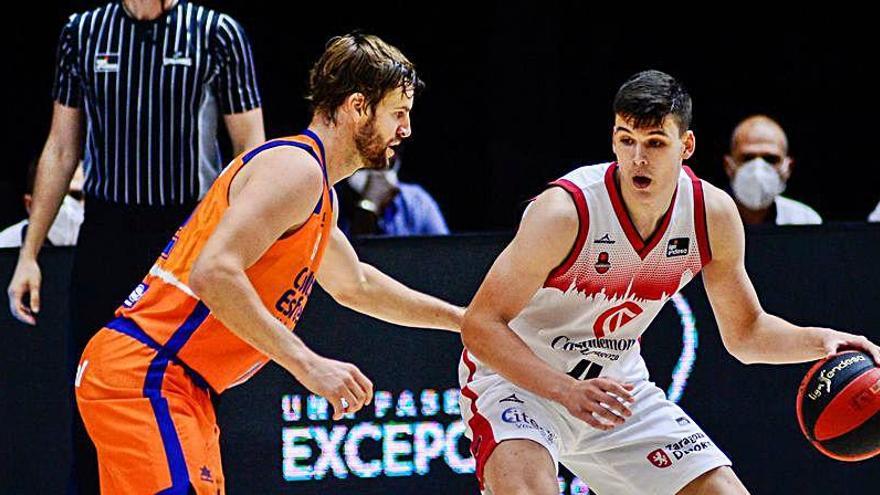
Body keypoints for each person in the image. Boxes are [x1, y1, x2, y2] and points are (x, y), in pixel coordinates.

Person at [70, 33, 463, 494]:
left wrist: (463, 320)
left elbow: (356, 284)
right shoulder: (297, 169)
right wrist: (308, 364)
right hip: (149, 373)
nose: (406, 129)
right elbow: (213, 273)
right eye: (398, 112)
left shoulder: (319, 193)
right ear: (359, 106)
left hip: (175, 383)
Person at [460, 70, 880, 495]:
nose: (638, 158)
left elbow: (747, 333)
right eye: (627, 140)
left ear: (687, 146)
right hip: (519, 383)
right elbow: (480, 325)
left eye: (655, 142)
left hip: (615, 388)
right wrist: (566, 391)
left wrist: (824, 341)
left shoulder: (710, 215)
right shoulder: (565, 212)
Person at [6, 2, 264, 490]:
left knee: (189, 392)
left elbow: (250, 149)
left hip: (188, 235)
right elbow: (62, 148)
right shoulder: (81, 33)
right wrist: (28, 255)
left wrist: (243, 247)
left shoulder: (217, 33)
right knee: (93, 393)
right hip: (106, 234)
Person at [723, 115, 821, 225]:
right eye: (748, 158)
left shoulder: (805, 221)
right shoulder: (705, 219)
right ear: (728, 166)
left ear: (788, 167)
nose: (758, 169)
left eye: (770, 159)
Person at [337, 151, 450, 236]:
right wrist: (369, 204)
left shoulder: (417, 200)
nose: (378, 177)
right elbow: (351, 258)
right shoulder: (332, 201)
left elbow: (444, 254)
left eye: (385, 165)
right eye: (369, 164)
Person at [0, 161, 84, 249]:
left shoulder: (97, 247)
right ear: (30, 205)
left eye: (76, 196)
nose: (70, 205)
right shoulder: (4, 246)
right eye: (56, 199)